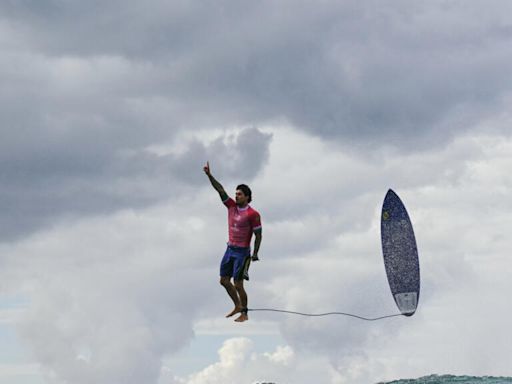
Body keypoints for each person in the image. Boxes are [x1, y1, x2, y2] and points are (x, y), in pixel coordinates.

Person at [203, 161, 262, 322]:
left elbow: (258, 235)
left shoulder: (253, 214)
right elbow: (220, 189)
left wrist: (255, 253)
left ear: (247, 197)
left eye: (240, 194)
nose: (236, 196)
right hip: (230, 249)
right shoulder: (231, 207)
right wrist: (209, 175)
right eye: (236, 194)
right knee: (223, 280)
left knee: (238, 284)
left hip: (243, 253)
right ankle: (237, 305)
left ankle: (245, 313)